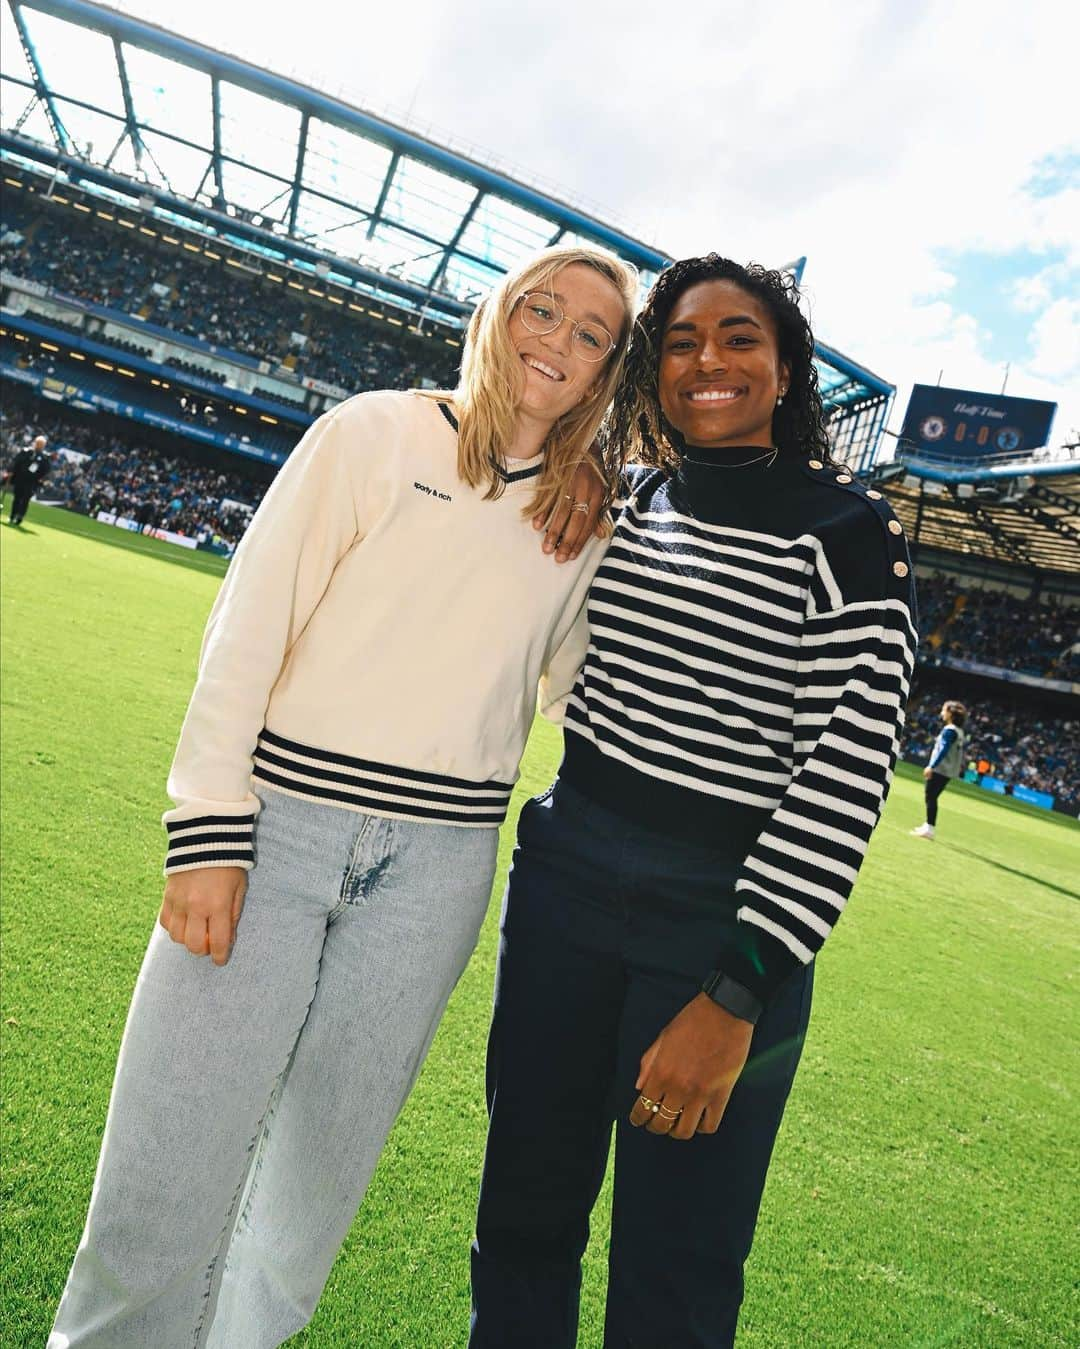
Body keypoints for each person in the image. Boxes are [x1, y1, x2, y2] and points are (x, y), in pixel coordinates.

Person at [49, 243, 638, 1349]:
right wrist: (208, 830)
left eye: (591, 333)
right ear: (499, 314)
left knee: (312, 1192)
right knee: (164, 1164)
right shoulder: (373, 432)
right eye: (542, 310)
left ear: (606, 370)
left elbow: (573, 684)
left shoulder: (584, 520)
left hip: (439, 869)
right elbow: (247, 627)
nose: (556, 340)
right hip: (277, 831)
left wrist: (618, 532)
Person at [469, 255, 918, 1348]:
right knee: (522, 1213)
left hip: (719, 919)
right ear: (651, 369)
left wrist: (739, 989)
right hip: (566, 877)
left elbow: (844, 776)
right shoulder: (621, 496)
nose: (707, 359)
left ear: (785, 367)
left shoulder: (848, 537)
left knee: (676, 1262)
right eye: (679, 340)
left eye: (739, 337)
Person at [911, 700, 967, 839]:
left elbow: (944, 749)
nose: (942, 713)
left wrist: (932, 766)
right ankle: (928, 826)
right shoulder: (959, 731)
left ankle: (929, 828)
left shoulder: (950, 730)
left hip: (941, 769)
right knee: (932, 797)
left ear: (950, 714)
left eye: (944, 710)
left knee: (930, 796)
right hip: (948, 771)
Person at [5, 432, 51, 524]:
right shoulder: (26, 452)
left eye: (41, 444)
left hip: (31, 482)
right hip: (20, 479)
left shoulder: (44, 458)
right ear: (35, 443)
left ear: (44, 446)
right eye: (38, 443)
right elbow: (16, 462)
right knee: (17, 498)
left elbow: (46, 471)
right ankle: (12, 515)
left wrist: (42, 479)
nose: (39, 446)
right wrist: (10, 472)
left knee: (25, 500)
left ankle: (20, 517)